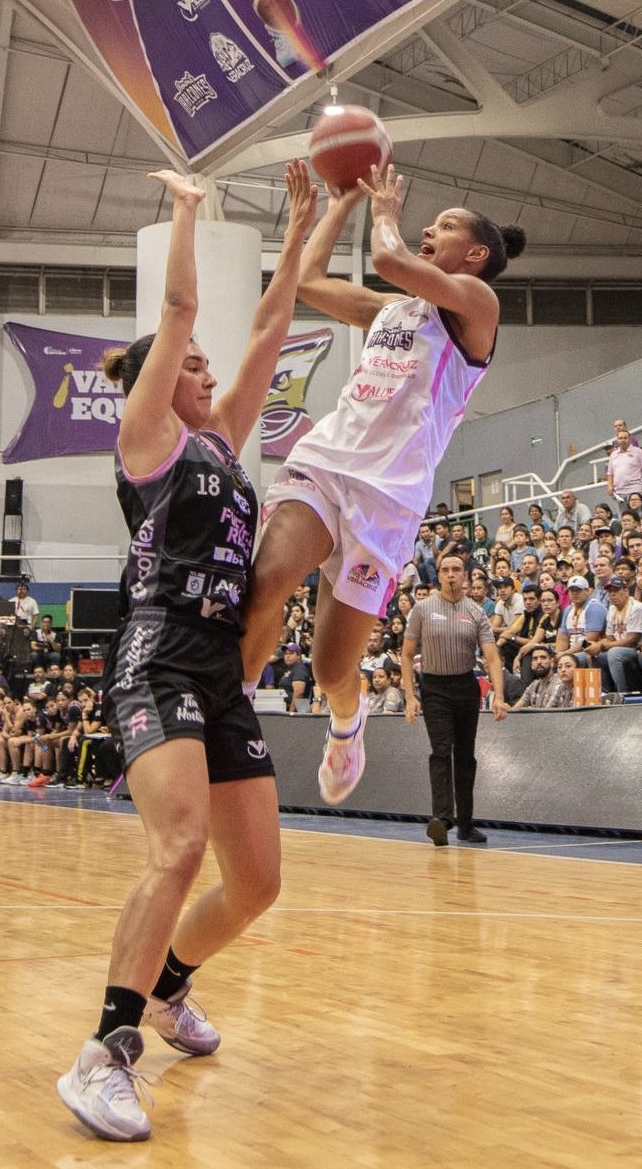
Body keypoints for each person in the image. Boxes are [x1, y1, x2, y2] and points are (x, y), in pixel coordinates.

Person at [56, 162, 315, 1143]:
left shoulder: (223, 446)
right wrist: (186, 209)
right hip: (157, 658)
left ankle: (166, 989)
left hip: (220, 673)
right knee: (178, 846)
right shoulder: (149, 442)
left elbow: (269, 335)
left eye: (203, 364)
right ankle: (103, 1054)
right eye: (188, 364)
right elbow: (178, 311)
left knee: (255, 882)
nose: (206, 369)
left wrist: (298, 237)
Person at [240, 163, 525, 808]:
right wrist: (337, 204)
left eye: (446, 225)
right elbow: (310, 281)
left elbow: (391, 258)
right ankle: (229, 719)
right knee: (266, 581)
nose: (431, 227)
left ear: (475, 254)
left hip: (389, 499)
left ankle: (347, 725)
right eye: (430, 221)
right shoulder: (393, 311)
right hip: (326, 461)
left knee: (330, 669)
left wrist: (386, 213)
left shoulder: (478, 306)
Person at [402, 553, 507, 848]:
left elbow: (491, 658)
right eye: (446, 570)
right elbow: (407, 655)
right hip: (433, 686)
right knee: (440, 750)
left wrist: (499, 696)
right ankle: (443, 819)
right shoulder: (422, 609)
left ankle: (466, 825)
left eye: (457, 570)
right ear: (438, 575)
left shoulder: (475, 612)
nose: (451, 574)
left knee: (465, 756)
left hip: (465, 686)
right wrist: (410, 697)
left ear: (465, 576)